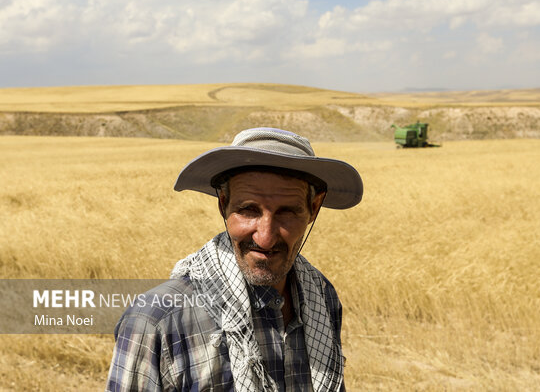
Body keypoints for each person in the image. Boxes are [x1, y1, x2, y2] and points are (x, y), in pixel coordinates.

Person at [106, 127, 363, 391]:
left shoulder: (321, 296)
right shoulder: (156, 321)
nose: (265, 238)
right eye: (248, 210)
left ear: (314, 208)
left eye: (287, 212)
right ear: (223, 203)